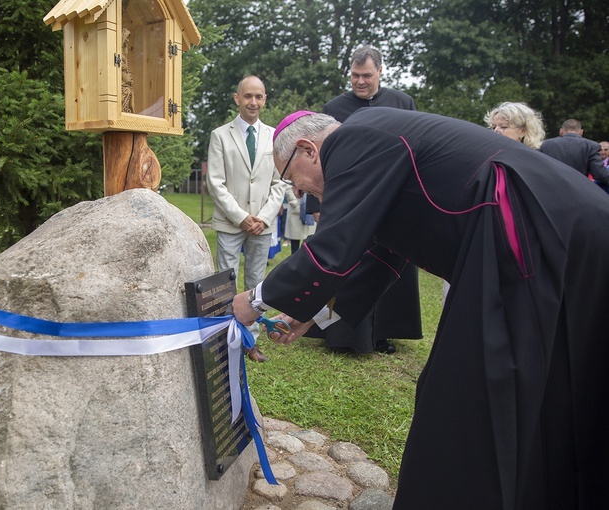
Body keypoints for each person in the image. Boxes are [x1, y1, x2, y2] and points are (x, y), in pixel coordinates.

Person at [233, 108, 609, 508]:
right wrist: (317, 312)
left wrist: (253, 300)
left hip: (533, 240)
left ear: (307, 149)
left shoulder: (350, 139)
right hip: (565, 235)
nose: (300, 193)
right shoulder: (373, 138)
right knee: (558, 386)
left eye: (292, 179)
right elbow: (383, 253)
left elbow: (331, 248)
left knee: (469, 402)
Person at [316, 45, 422, 354]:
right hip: (351, 201)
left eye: (366, 75)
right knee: (347, 264)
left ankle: (383, 333)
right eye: (354, 75)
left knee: (389, 264)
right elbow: (322, 158)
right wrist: (318, 205)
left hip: (394, 199)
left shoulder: (403, 103)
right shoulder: (333, 107)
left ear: (380, 72)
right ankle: (337, 334)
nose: (360, 82)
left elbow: (418, 150)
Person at [206, 75, 286, 362]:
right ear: (237, 98)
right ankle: (224, 333)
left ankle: (251, 339)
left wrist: (263, 218)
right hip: (231, 221)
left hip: (262, 224)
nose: (253, 101)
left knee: (256, 280)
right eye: (248, 96)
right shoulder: (220, 135)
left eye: (259, 96)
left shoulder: (274, 136)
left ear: (265, 99)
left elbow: (280, 182)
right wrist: (241, 217)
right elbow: (215, 182)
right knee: (226, 277)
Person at [539, 119, 609, 183]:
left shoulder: (545, 144)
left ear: (561, 131)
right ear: (581, 132)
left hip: (551, 189)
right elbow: (600, 174)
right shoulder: (591, 146)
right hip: (579, 190)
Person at [283, 188, 316, 254]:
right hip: (295, 212)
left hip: (310, 211)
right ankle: (294, 263)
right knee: (295, 247)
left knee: (309, 245)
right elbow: (288, 188)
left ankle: (307, 263)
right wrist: (296, 205)